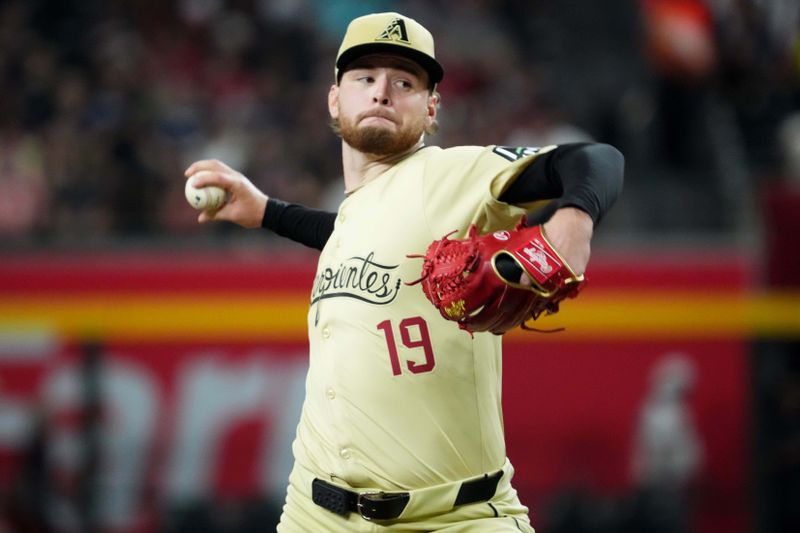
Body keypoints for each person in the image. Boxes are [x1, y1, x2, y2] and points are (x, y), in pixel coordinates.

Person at [185, 12, 624, 532]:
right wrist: (267, 212)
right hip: (314, 511)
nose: (382, 92)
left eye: (404, 82)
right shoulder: (357, 210)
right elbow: (358, 234)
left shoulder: (449, 175)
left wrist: (573, 222)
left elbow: (597, 159)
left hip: (452, 518)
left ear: (432, 107)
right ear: (335, 98)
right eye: (364, 77)